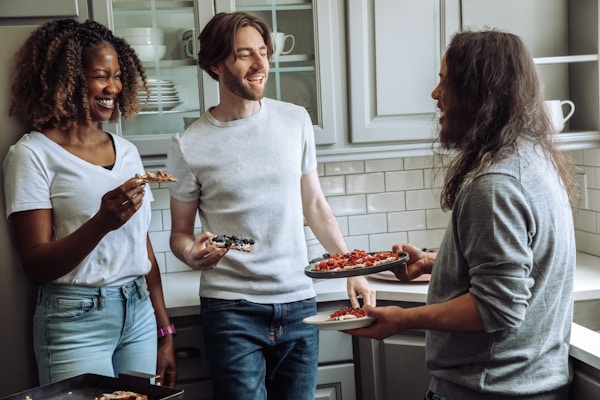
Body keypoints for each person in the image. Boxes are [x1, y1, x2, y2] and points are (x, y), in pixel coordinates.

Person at [347, 30, 579, 400]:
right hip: (527, 385)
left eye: (444, 81)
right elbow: (518, 267)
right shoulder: (534, 161)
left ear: (477, 91)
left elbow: (495, 308)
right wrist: (431, 263)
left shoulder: (496, 184)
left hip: (487, 389)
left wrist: (403, 319)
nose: (435, 94)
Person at [166, 11, 376, 400]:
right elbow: (180, 234)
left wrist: (352, 269)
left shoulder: (294, 121)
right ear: (216, 65)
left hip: (298, 302)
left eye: (263, 52)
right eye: (245, 54)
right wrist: (190, 255)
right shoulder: (189, 145)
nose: (261, 64)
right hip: (231, 310)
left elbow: (314, 206)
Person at [3, 19, 176, 387]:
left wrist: (165, 329)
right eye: (101, 76)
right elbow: (36, 264)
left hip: (139, 311)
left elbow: (140, 245)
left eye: (117, 76)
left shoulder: (127, 152)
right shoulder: (32, 154)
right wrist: (101, 222)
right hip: (75, 318)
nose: (113, 87)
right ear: (68, 79)